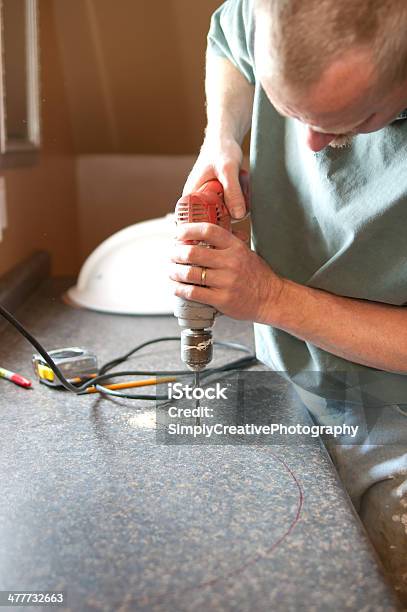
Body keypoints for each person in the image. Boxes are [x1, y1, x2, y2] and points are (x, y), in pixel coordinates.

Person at [169, 0, 407, 601]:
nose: (312, 142)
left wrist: (270, 298)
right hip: (295, 390)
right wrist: (220, 135)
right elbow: (229, 40)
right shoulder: (284, 12)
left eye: (355, 119)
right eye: (287, 109)